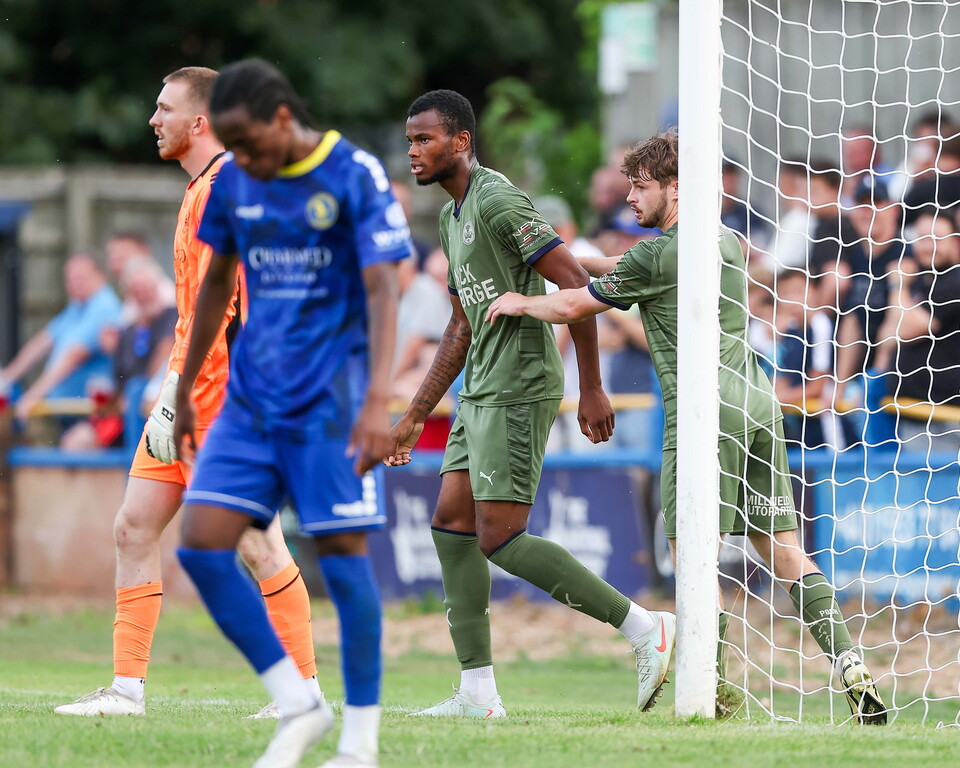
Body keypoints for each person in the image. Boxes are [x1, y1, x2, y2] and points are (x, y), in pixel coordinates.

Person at [486, 130, 888, 725]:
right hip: (757, 400)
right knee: (782, 548)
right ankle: (849, 661)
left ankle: (714, 689)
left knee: (692, 554)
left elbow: (574, 306)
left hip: (704, 412)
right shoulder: (724, 241)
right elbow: (624, 267)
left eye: (641, 188)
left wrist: (520, 302)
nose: (630, 200)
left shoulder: (659, 255)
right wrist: (568, 254)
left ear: (676, 188)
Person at [389, 89, 675, 718]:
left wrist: (592, 386)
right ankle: (478, 694)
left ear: (461, 141)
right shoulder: (448, 218)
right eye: (409, 140)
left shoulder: (497, 200)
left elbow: (576, 281)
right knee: (450, 525)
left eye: (425, 139)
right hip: (480, 387)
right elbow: (461, 325)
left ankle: (642, 626)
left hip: (520, 383)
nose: (414, 151)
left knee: (500, 536)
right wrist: (416, 412)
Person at [55, 66, 319, 720]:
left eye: (164, 107)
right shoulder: (206, 187)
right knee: (133, 526)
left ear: (199, 121)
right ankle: (126, 691)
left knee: (257, 544)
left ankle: (304, 691)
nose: (154, 119)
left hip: (217, 401)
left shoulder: (223, 188)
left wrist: (185, 389)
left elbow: (227, 310)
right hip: (186, 395)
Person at [170, 59, 410, 768]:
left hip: (330, 403)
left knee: (341, 557)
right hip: (250, 401)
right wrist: (183, 386)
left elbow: (383, 289)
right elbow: (216, 281)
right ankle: (299, 703)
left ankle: (360, 741)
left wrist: (377, 402)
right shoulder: (238, 178)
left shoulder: (353, 173)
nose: (242, 161)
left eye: (250, 144)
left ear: (282, 119)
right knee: (201, 545)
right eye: (232, 148)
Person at [59, 256, 178, 451]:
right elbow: (117, 380)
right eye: (136, 290)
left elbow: (165, 352)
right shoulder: (127, 331)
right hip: (125, 414)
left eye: (147, 287)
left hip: (157, 409)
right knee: (74, 441)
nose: (143, 295)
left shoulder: (173, 316)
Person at [874, 210, 960, 455]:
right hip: (913, 415)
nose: (928, 246)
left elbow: (909, 328)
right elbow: (888, 334)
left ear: (955, 241)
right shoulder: (922, 283)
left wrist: (897, 284)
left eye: (936, 239)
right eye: (922, 238)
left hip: (944, 420)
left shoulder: (954, 280)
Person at [0, 252, 122, 422]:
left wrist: (32, 396)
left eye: (80, 277)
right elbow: (42, 342)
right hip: (67, 409)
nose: (74, 283)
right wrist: (6, 378)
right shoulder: (77, 307)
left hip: (92, 416)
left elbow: (74, 355)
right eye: (70, 278)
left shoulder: (104, 307)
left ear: (100, 275)